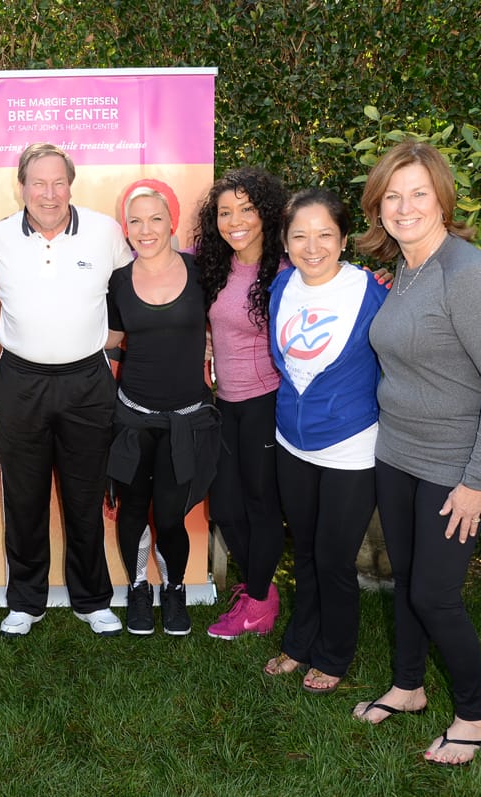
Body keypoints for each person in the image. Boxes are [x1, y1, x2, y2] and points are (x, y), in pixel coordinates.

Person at [351, 140, 481, 766]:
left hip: (454, 466)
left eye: (418, 193)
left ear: (443, 199)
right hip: (397, 455)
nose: (405, 206)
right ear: (379, 207)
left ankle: (475, 717)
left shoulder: (466, 273)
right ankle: (408, 685)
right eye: (392, 196)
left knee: (434, 594)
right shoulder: (407, 268)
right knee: (406, 584)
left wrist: (479, 481)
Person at [0, 143, 131, 637]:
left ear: (71, 184)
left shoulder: (105, 233)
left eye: (58, 182)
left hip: (87, 383)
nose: (49, 194)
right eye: (38, 183)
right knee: (23, 499)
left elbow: (132, 293)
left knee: (84, 497)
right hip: (20, 381)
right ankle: (26, 601)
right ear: (21, 186)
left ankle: (92, 599)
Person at [261, 188, 388, 693]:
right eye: (300, 236)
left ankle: (334, 653)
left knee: (334, 557)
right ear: (286, 242)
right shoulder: (282, 286)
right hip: (292, 441)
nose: (312, 247)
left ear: (342, 238)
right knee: (307, 550)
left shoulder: (371, 292)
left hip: (351, 447)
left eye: (324, 235)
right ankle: (299, 641)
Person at [105, 180, 219, 636]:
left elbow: (234, 314)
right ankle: (137, 588)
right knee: (132, 509)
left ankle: (173, 590)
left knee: (170, 514)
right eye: (136, 221)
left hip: (186, 420)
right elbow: (111, 344)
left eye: (156, 219)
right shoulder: (117, 281)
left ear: (172, 221)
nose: (146, 229)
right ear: (125, 228)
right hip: (132, 416)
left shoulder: (202, 273)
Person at [194, 167, 290, 640]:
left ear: (266, 214)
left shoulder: (286, 270)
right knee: (226, 508)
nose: (234, 221)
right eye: (224, 212)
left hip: (266, 402)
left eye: (246, 209)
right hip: (225, 403)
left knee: (259, 504)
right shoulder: (217, 265)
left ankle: (257, 601)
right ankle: (260, 592)